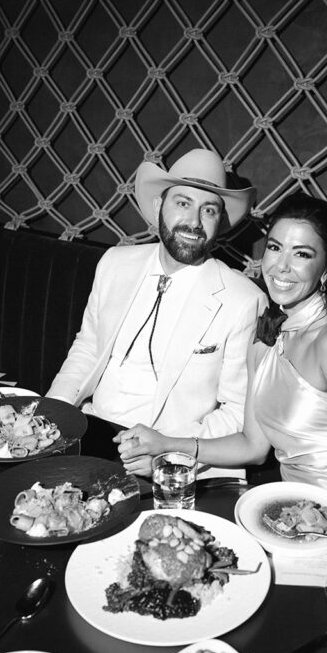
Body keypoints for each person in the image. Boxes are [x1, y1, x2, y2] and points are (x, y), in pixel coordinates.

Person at [116, 193, 327, 547]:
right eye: (275, 248)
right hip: (295, 512)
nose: (281, 266)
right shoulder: (265, 335)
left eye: (302, 254)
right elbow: (252, 445)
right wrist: (166, 444)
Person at [46, 148, 267, 447]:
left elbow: (236, 411)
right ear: (159, 205)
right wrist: (54, 413)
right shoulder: (114, 263)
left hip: (168, 451)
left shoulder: (245, 300)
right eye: (183, 203)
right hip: (89, 428)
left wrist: (165, 448)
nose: (194, 222)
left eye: (209, 210)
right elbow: (87, 346)